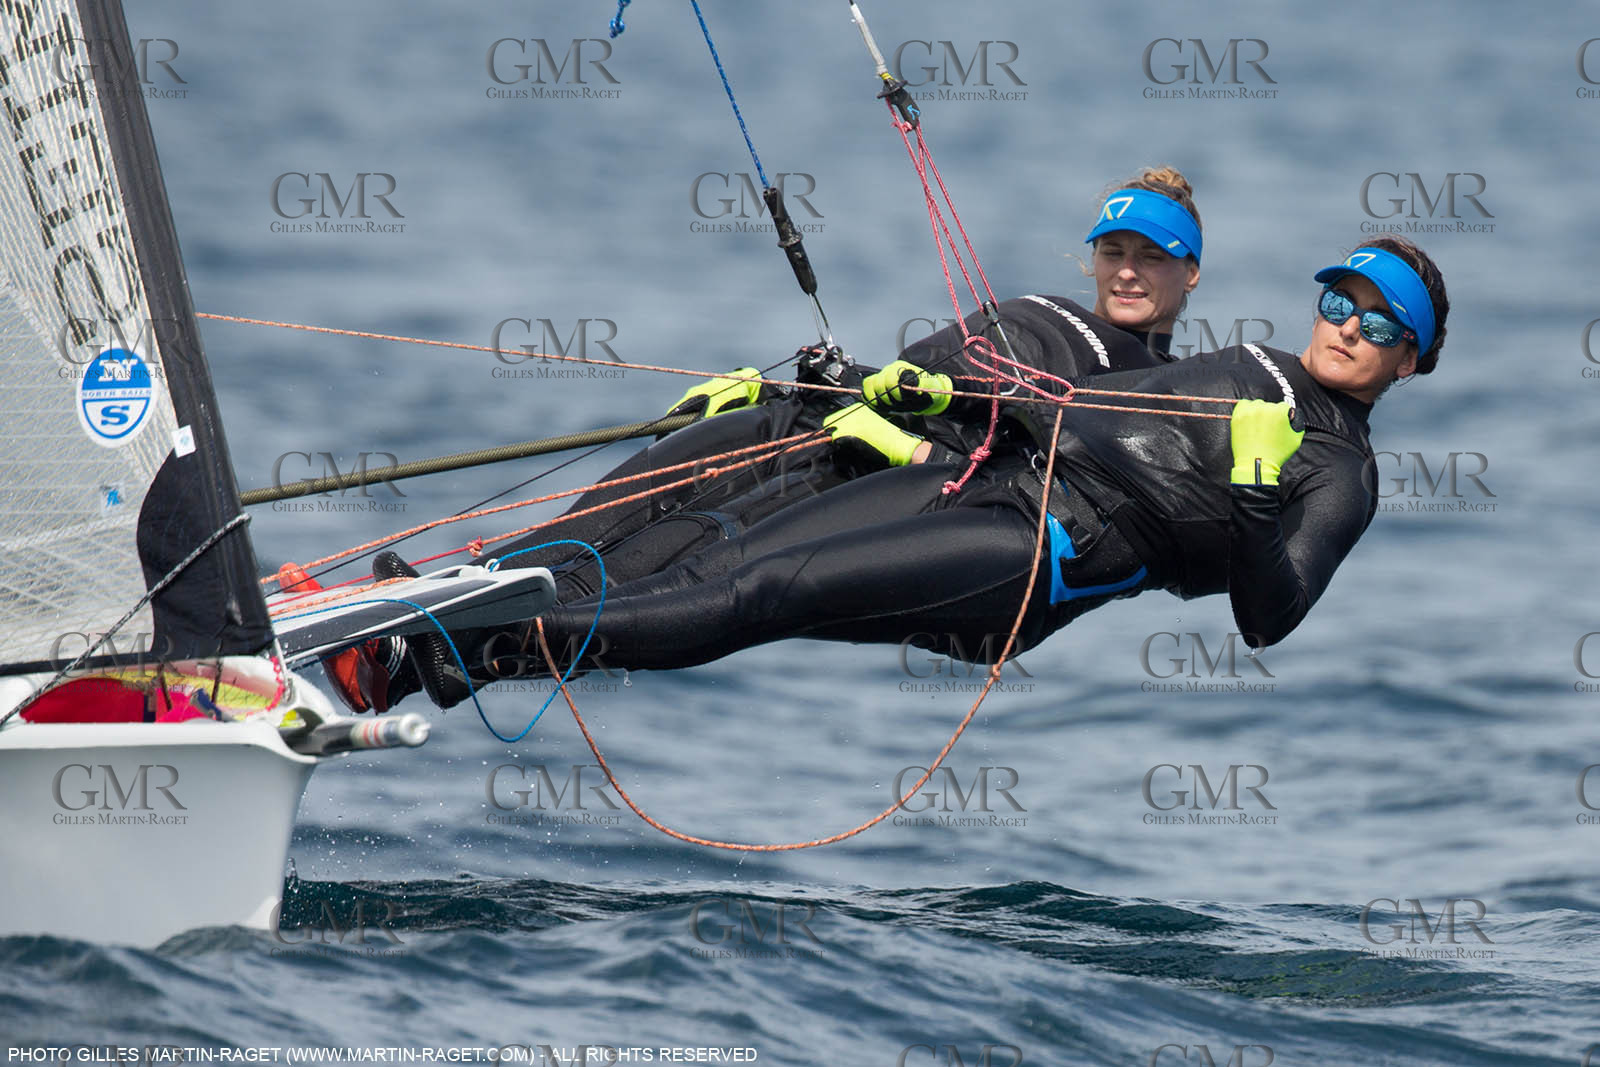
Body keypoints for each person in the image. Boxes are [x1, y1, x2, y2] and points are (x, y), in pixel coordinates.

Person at [368, 234, 1445, 704]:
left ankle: (450, 635)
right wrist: (953, 396)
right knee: (723, 551)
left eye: (1377, 320)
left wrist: (1258, 494)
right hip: (998, 476)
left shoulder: (1341, 472)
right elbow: (1092, 411)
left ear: (1410, 357)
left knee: (760, 594)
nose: (1346, 325)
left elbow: (1269, 617)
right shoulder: (1251, 355)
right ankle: (442, 657)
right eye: (1339, 298)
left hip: (1042, 551)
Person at [326, 168, 1209, 710]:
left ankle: (445, 653)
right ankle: (428, 626)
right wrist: (803, 381)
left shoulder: (1143, 390)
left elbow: (1026, 486)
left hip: (907, 503)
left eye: (1153, 257)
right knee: (644, 492)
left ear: (1189, 275)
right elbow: (921, 386)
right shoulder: (1048, 313)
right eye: (1113, 250)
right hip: (837, 434)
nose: (1129, 270)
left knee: (680, 564)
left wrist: (896, 445)